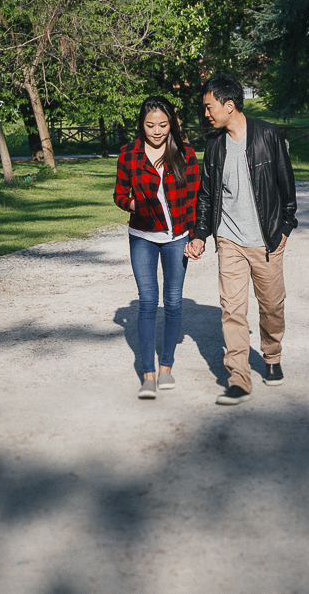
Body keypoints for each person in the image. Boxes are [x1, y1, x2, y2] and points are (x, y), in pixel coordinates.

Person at [186, 74, 297, 405]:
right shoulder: (214, 147)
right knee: (232, 309)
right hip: (229, 241)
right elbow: (206, 195)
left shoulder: (267, 136)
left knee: (272, 306)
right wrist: (200, 234)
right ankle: (239, 377)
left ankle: (272, 354)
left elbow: (286, 187)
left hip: (266, 241)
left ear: (228, 105)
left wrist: (285, 229)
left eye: (209, 107)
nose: (206, 113)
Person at [114, 96, 201, 399]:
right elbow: (119, 195)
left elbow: (194, 199)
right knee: (148, 302)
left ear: (171, 124)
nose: (157, 130)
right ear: (142, 124)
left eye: (163, 125)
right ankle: (148, 374)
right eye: (150, 125)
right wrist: (133, 203)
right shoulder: (129, 154)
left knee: (174, 302)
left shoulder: (186, 154)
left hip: (177, 237)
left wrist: (195, 236)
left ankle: (166, 367)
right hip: (143, 236)